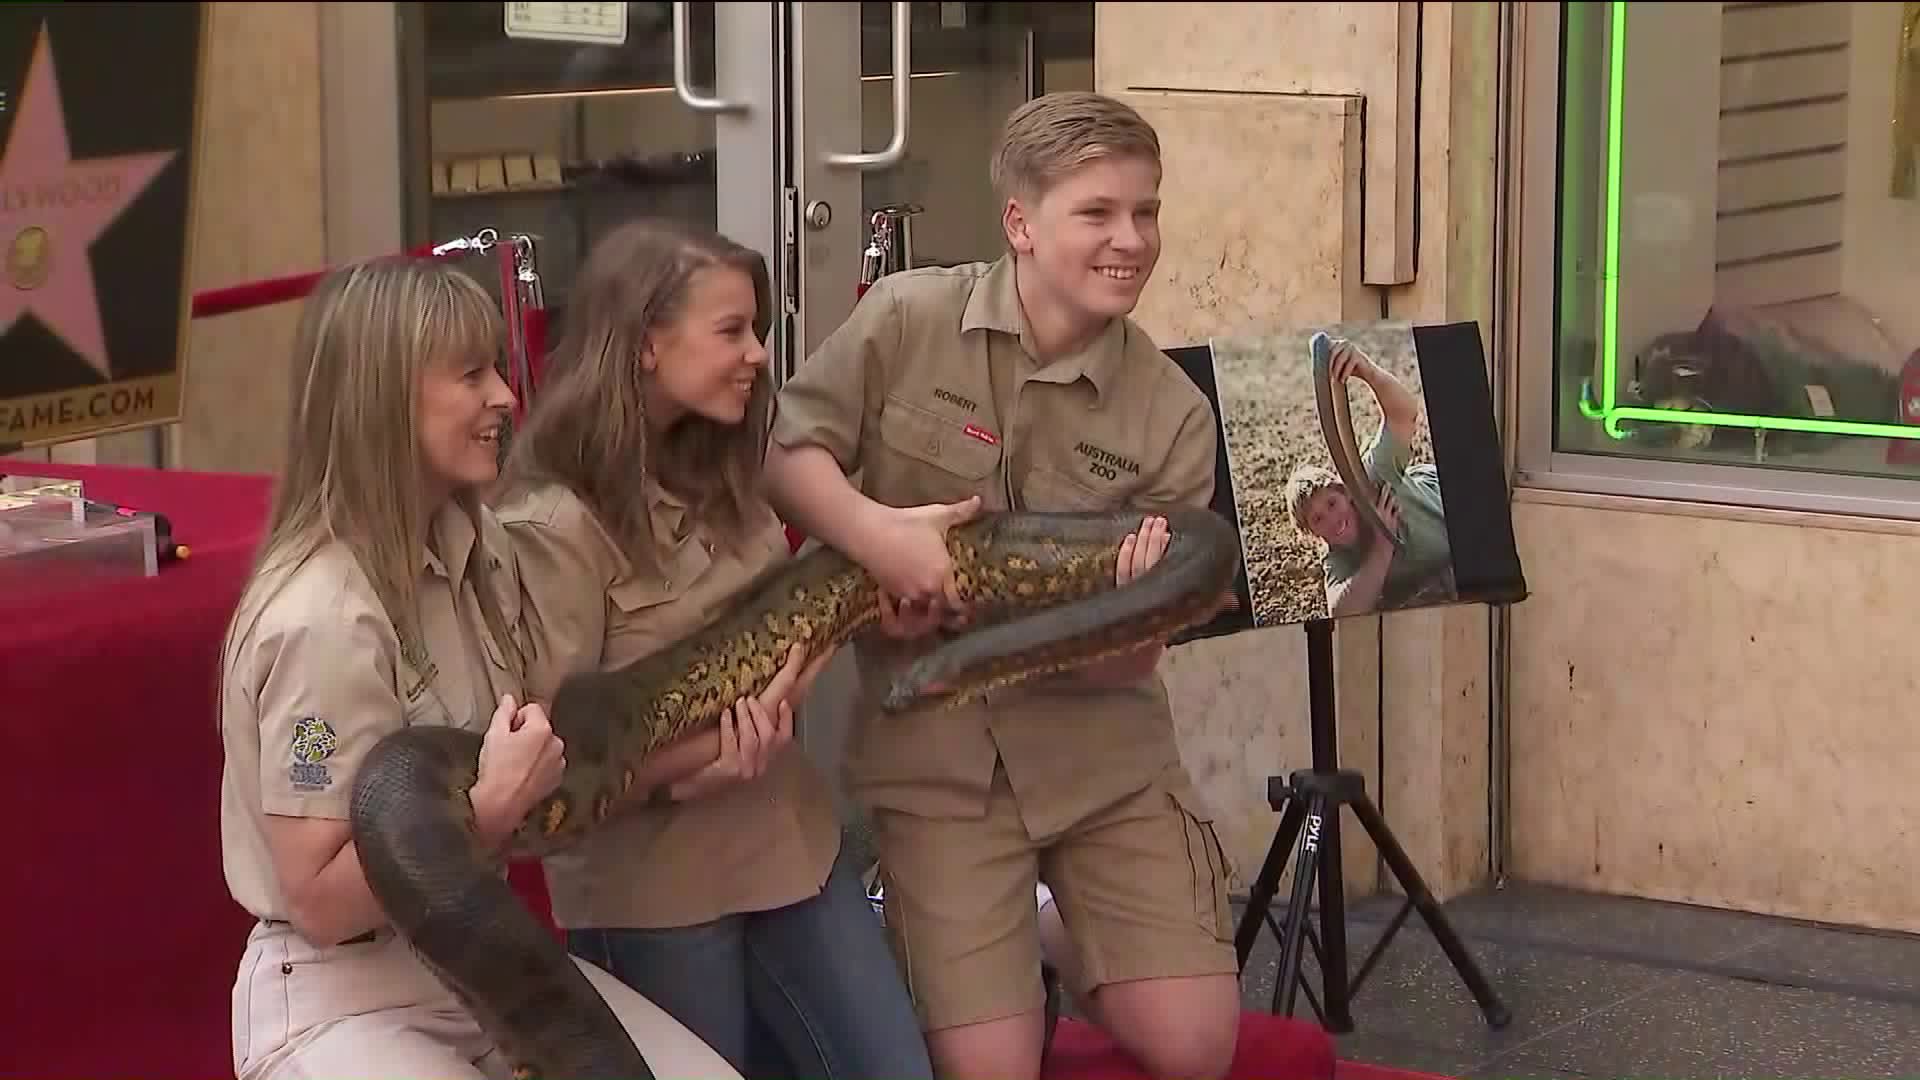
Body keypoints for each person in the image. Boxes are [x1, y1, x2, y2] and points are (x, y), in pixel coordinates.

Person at [763, 91, 1242, 1080]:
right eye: (1098, 213)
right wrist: (879, 539)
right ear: (1020, 224)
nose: (1131, 240)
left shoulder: (1175, 417)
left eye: (1146, 212)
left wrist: (1135, 606)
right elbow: (787, 450)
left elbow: (1126, 667)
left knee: (1196, 1049)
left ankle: (1056, 928)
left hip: (1103, 762)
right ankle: (986, 922)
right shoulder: (906, 319)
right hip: (939, 764)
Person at [217, 255, 742, 1080]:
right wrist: (487, 815)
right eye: (472, 375)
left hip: (478, 967)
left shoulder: (476, 548)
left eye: (498, 367)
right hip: (343, 992)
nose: (505, 395)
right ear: (384, 402)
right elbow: (317, 900)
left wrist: (697, 753)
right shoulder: (318, 619)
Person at [492, 217, 936, 1080]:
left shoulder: (731, 470)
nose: (761, 355)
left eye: (759, 330)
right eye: (732, 331)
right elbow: (547, 767)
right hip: (656, 889)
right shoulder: (552, 524)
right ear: (648, 344)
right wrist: (687, 767)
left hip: (791, 848)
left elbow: (785, 629)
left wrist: (879, 615)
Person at [1285, 338, 1453, 616]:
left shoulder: (1370, 476)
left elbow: (1405, 414)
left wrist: (1367, 371)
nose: (1332, 519)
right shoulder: (1337, 556)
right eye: (1317, 519)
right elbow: (1341, 613)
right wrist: (1382, 546)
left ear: (1346, 493)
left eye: (1331, 504)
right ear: (1314, 535)